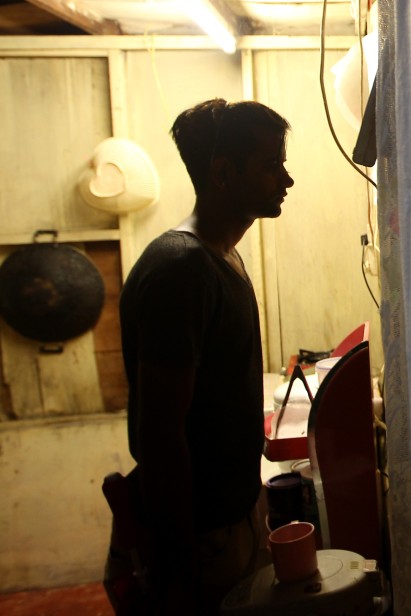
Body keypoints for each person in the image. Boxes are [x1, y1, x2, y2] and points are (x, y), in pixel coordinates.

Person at [105, 98, 293, 615]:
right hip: (202, 539)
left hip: (231, 519)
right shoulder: (180, 272)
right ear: (223, 173)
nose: (286, 179)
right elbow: (161, 437)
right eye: (271, 164)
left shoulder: (219, 256)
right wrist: (178, 568)